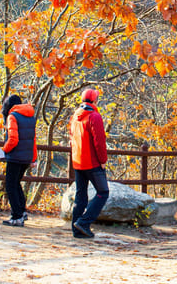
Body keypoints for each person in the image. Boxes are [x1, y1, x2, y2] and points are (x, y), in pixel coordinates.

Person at [69, 88, 109, 239]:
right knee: (103, 192)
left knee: (81, 196)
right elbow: (99, 142)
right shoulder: (94, 116)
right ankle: (84, 222)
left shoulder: (75, 116)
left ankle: (77, 229)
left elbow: (72, 138)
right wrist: (103, 160)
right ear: (94, 100)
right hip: (91, 162)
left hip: (77, 161)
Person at [1, 94, 37, 227]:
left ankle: (17, 216)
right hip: (26, 157)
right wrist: (33, 157)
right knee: (16, 183)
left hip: (15, 157)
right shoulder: (30, 117)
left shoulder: (13, 116)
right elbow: (33, 139)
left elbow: (13, 139)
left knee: (10, 185)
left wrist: (4, 150)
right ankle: (22, 211)